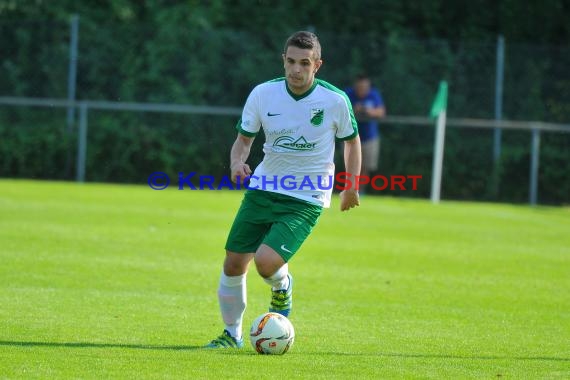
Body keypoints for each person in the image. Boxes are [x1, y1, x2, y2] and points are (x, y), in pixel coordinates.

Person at [205, 31, 361, 348]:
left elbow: (352, 142)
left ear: (318, 64)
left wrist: (351, 185)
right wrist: (237, 163)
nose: (296, 70)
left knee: (265, 262)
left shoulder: (334, 100)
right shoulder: (264, 94)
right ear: (283, 60)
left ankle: (282, 284)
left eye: (304, 63)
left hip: (306, 196)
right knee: (233, 262)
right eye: (290, 61)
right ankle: (231, 335)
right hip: (264, 188)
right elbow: (244, 140)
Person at [345, 74, 385, 192]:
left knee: (365, 166)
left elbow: (381, 112)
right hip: (350, 137)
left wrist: (369, 112)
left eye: (365, 88)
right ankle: (348, 188)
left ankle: (359, 191)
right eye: (360, 87)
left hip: (369, 137)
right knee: (349, 165)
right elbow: (339, 110)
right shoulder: (348, 94)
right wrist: (354, 109)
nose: (362, 90)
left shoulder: (374, 95)